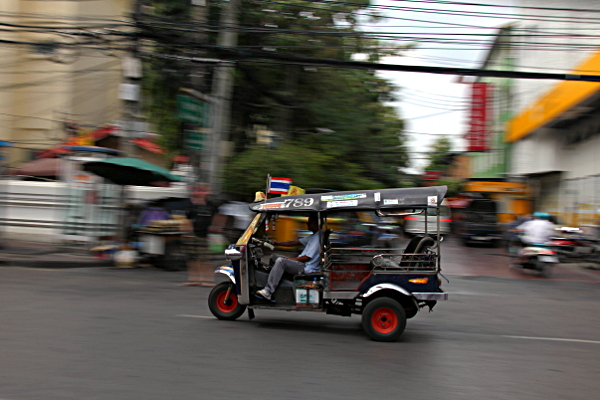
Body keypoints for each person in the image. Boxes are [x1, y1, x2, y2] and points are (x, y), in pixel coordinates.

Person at [256, 214, 322, 301]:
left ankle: (268, 291)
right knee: (274, 257)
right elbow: (294, 242)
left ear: (316, 223)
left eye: (309, 222)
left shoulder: (318, 237)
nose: (307, 224)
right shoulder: (313, 236)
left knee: (281, 261)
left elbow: (306, 258)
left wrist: (290, 259)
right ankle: (276, 284)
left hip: (306, 267)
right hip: (303, 264)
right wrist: (278, 243)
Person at [181, 184, 218, 287]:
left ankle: (207, 279)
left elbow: (216, 217)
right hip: (192, 234)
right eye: (199, 191)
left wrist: (215, 227)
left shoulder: (210, 205)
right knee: (192, 258)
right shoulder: (190, 204)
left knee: (204, 258)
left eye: (203, 191)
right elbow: (187, 218)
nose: (200, 193)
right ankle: (193, 278)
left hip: (204, 235)